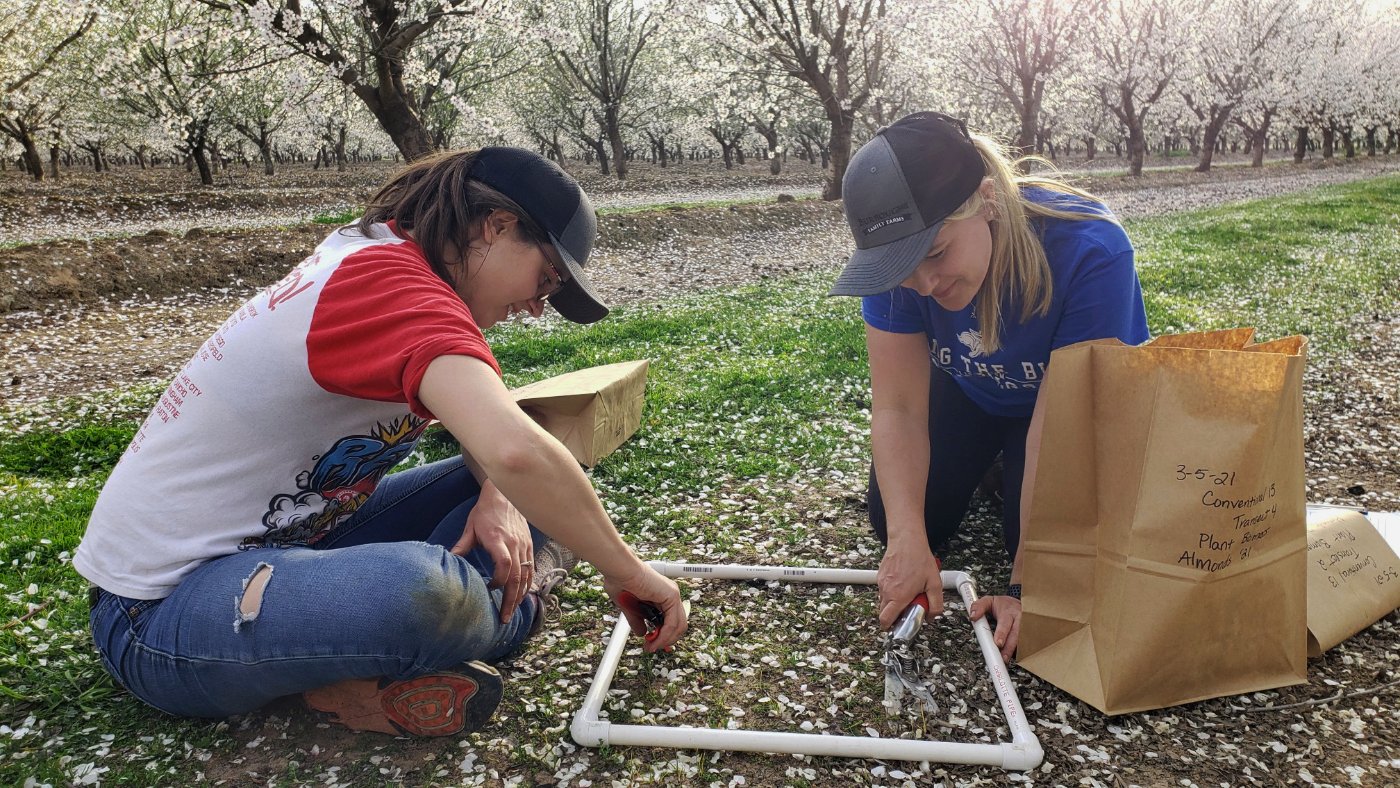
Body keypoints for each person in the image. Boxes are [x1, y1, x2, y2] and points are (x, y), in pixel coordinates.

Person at [74, 147, 687, 737]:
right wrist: (629, 573)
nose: (537, 307)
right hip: (161, 612)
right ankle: (483, 616)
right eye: (548, 277)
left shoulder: (392, 262)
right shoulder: (393, 290)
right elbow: (516, 451)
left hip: (299, 537)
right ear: (496, 226)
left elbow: (502, 442)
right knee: (427, 591)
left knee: (543, 493)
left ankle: (443, 626)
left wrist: (500, 497)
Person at [828, 112, 1149, 661]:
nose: (923, 285)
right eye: (902, 269)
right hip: (973, 389)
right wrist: (907, 540)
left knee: (1048, 545)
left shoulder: (1091, 250)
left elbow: (1062, 426)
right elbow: (900, 407)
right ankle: (995, 466)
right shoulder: (900, 274)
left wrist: (1028, 582)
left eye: (936, 254)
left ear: (987, 201)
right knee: (896, 518)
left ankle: (1006, 470)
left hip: (1072, 407)